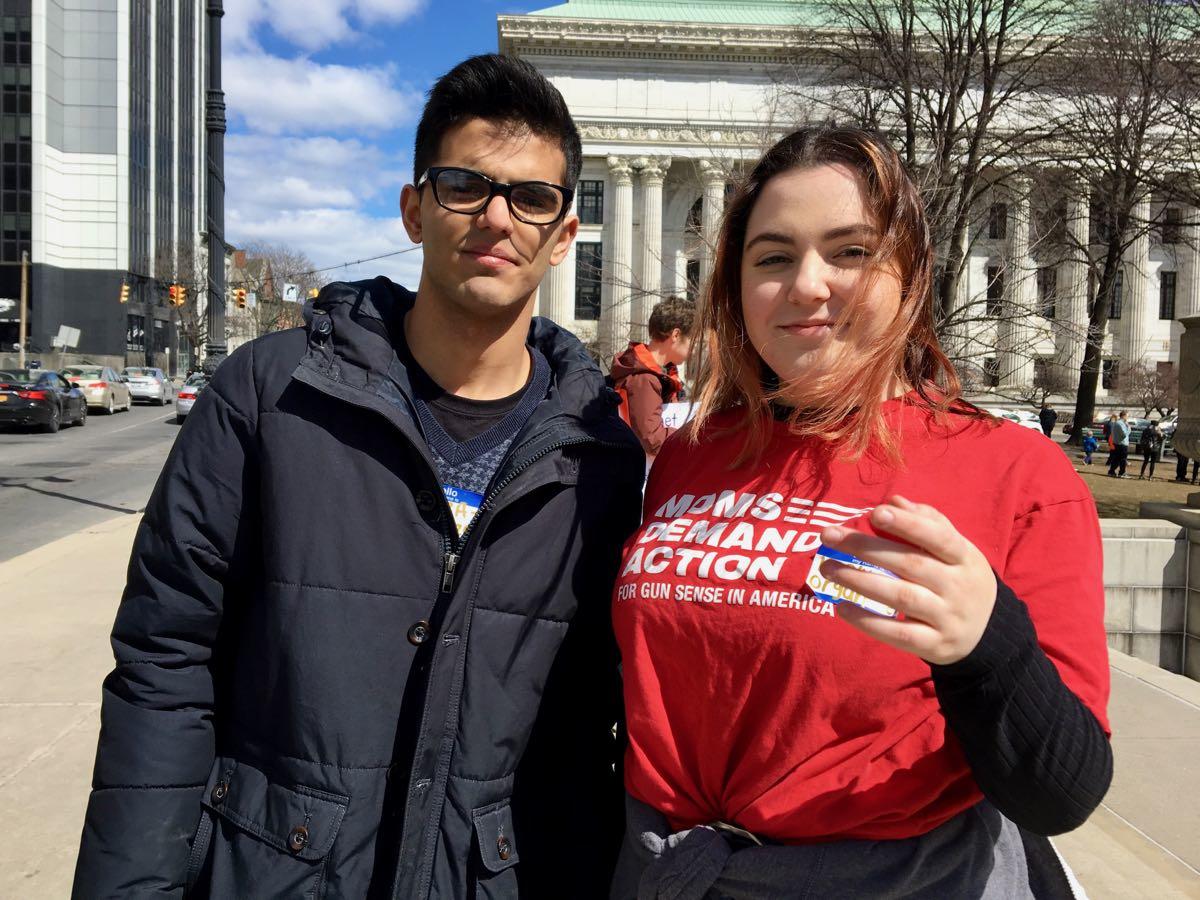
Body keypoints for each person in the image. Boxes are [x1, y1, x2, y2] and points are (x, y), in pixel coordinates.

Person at [73, 54, 645, 899]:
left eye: (531, 198)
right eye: (464, 185)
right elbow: (164, 665)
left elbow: (593, 729)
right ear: (414, 210)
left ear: (563, 234)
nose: (497, 218)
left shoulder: (600, 458)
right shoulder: (269, 397)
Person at [609, 126, 1111, 898]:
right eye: (773, 257)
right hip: (671, 871)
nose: (808, 285)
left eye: (851, 252)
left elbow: (1063, 790)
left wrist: (987, 644)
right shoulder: (694, 452)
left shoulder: (1015, 471)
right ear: (736, 288)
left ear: (910, 274)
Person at [609, 296, 694, 460]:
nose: (694, 348)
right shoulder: (644, 379)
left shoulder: (653, 374)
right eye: (693, 339)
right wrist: (694, 435)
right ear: (676, 335)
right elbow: (652, 440)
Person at [1108, 410, 1131, 477]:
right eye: (1127, 416)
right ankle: (1122, 472)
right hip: (1122, 443)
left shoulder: (1116, 423)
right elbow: (1124, 434)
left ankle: (1111, 471)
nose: (1128, 418)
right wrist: (1128, 428)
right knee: (1123, 459)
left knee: (1117, 459)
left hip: (1117, 443)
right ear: (1124, 416)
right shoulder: (1121, 423)